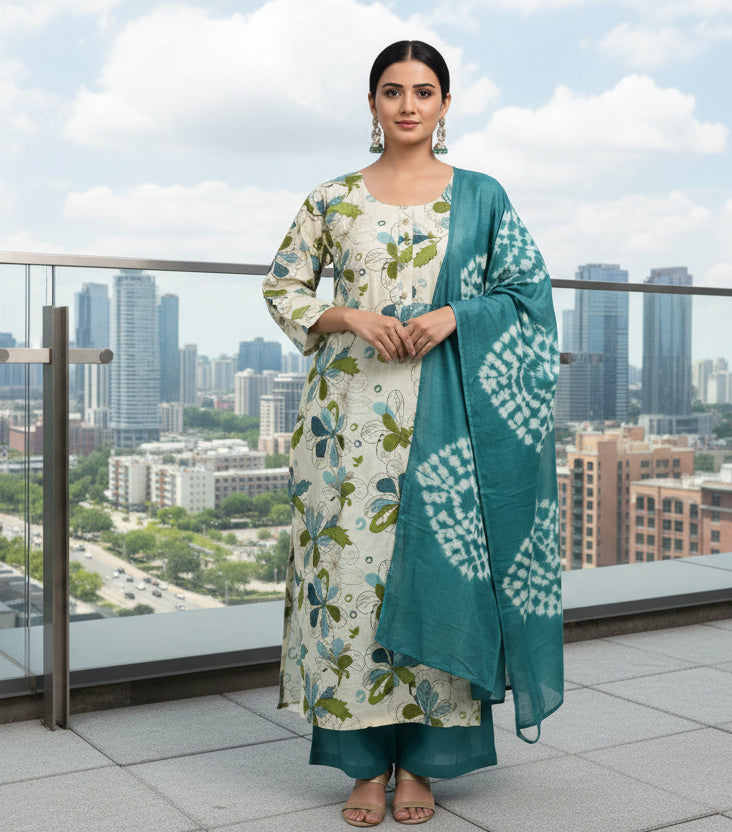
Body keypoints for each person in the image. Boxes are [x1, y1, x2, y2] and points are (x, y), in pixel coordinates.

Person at [262, 40, 563, 827]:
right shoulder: (332, 200)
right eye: (391, 91)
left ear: (444, 105)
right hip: (346, 427)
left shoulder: (483, 196)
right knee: (351, 589)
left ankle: (426, 760)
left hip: (451, 427)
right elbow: (283, 284)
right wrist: (349, 314)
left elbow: (528, 295)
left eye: (423, 91)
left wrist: (456, 313)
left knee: (444, 583)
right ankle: (362, 764)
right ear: (371, 105)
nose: (406, 105)